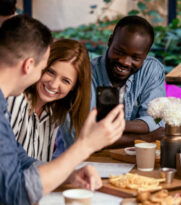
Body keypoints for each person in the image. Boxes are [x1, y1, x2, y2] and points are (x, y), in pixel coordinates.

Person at [0, 15, 125, 204]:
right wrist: (86, 145)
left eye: (66, 81)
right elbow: (15, 193)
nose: (47, 80)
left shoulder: (47, 112)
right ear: (29, 65)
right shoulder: (12, 101)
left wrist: (67, 175)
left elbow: (19, 160)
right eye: (45, 69)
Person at [59, 15, 166, 148]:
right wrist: (145, 137)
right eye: (119, 51)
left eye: (135, 57)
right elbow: (81, 138)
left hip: (128, 160)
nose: (124, 62)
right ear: (110, 42)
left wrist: (108, 127)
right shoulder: (86, 74)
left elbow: (156, 121)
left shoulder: (151, 70)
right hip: (79, 162)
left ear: (146, 55)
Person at [7, 39, 91, 161]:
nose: (53, 84)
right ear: (40, 66)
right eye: (50, 72)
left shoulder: (53, 112)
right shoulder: (16, 100)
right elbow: (6, 163)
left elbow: (42, 165)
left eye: (65, 81)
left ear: (74, 88)